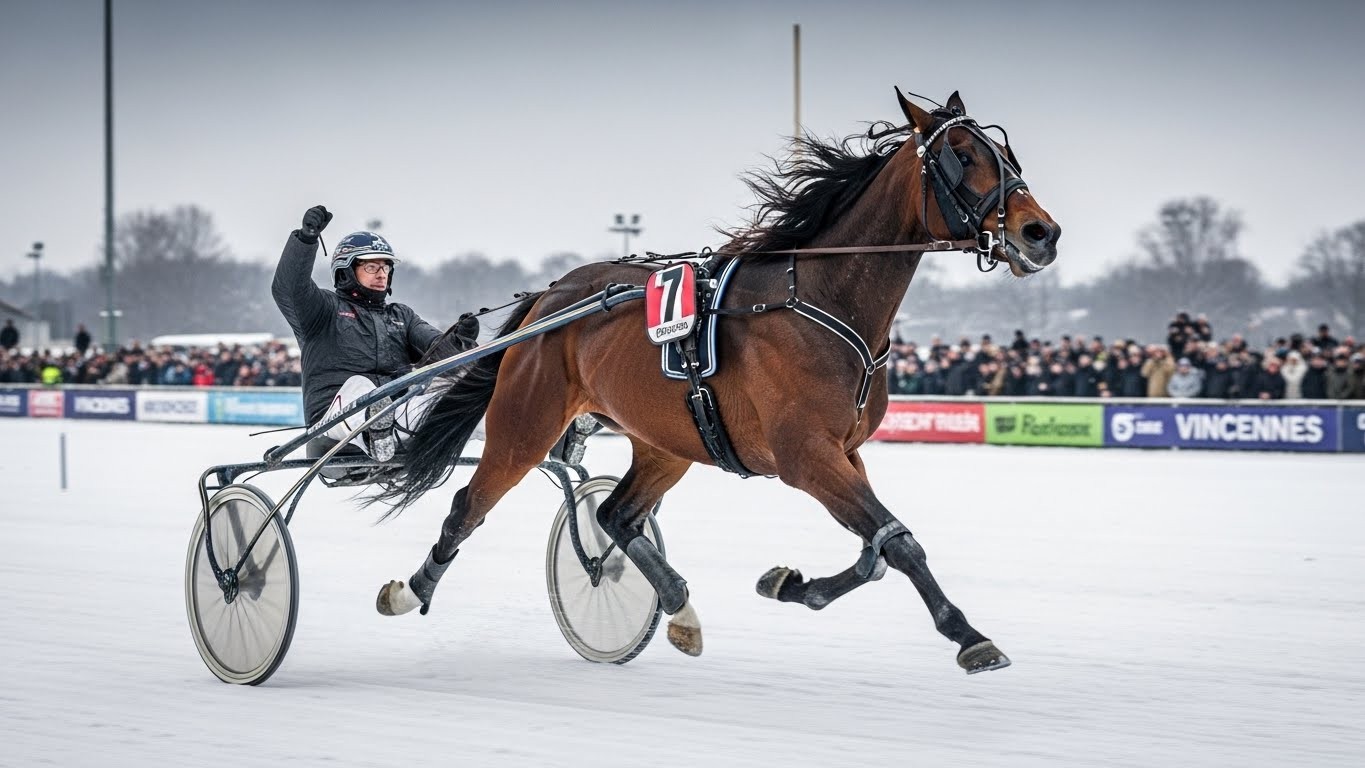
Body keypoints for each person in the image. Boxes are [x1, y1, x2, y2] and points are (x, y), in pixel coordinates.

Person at [272, 205, 476, 460]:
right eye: (371, 267)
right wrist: (305, 240)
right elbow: (288, 290)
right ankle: (376, 431)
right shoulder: (323, 310)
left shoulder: (402, 316)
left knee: (465, 389)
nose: (381, 274)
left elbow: (439, 351)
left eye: (386, 267)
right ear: (347, 270)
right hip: (333, 424)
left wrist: (461, 342)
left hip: (397, 415)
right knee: (361, 387)